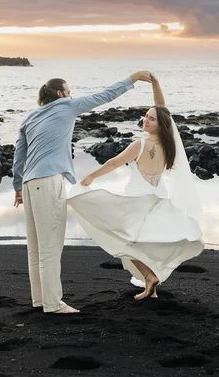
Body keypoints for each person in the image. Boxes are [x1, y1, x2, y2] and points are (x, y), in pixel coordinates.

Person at [12, 71, 153, 314]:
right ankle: (53, 304)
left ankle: (40, 299)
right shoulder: (67, 106)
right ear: (60, 94)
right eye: (69, 91)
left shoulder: (31, 117)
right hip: (48, 181)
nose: (71, 95)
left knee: (35, 247)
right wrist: (132, 79)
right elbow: (105, 96)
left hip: (29, 182)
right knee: (50, 247)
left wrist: (17, 187)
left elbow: (19, 155)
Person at [68, 73, 204, 301]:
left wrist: (91, 176)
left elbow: (114, 163)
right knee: (143, 241)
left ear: (160, 125)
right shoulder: (169, 146)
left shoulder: (140, 144)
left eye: (151, 118)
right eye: (145, 116)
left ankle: (149, 277)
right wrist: (156, 83)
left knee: (124, 240)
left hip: (136, 199)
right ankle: (150, 279)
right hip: (157, 197)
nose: (145, 119)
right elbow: (162, 108)